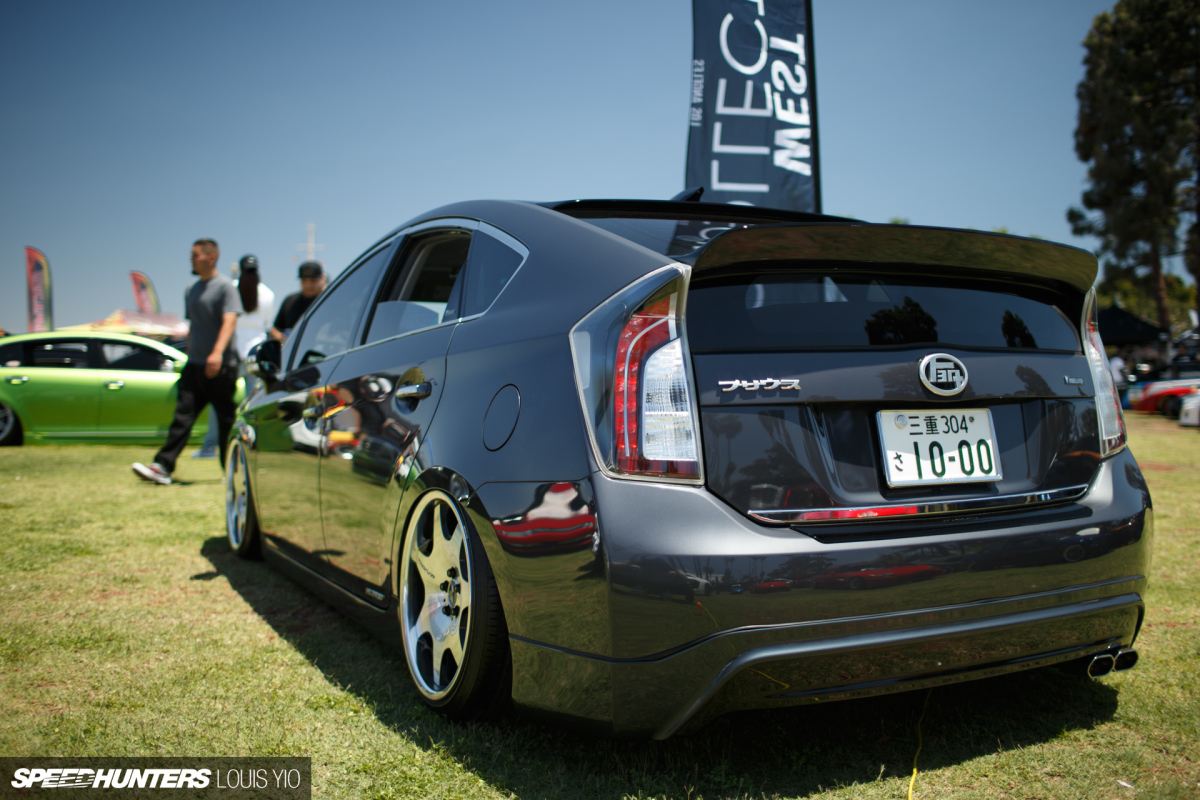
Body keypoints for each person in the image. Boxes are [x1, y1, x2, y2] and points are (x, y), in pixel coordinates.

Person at [132, 238, 239, 485]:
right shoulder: (192, 289)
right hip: (195, 365)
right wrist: (191, 353)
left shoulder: (225, 287)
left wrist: (217, 353)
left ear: (211, 258)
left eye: (196, 255)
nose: (191, 260)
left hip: (220, 366)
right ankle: (162, 467)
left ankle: (233, 472)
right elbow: (194, 326)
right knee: (183, 416)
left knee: (226, 422)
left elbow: (230, 321)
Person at [194, 254, 275, 458]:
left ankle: (210, 446)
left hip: (232, 353)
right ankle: (253, 444)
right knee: (253, 404)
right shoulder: (268, 294)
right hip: (255, 354)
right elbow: (266, 326)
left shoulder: (230, 287)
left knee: (219, 404)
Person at [269, 261, 326, 342]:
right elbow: (276, 329)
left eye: (313, 281)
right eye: (304, 281)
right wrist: (282, 339)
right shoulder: (290, 301)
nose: (308, 285)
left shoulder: (328, 301)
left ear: (323, 279)